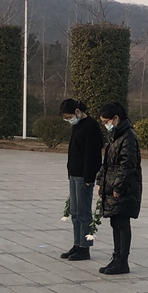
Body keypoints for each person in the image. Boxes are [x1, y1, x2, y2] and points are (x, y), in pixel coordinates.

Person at [96, 103, 142, 275]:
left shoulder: (128, 136)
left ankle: (123, 261)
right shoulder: (114, 135)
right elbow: (106, 163)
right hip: (111, 184)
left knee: (122, 223)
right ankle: (116, 257)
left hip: (124, 187)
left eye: (106, 121)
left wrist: (118, 186)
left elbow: (128, 165)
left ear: (116, 118)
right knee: (114, 222)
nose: (105, 125)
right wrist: (101, 182)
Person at [59, 98, 103, 262]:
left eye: (69, 116)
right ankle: (77, 244)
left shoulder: (91, 125)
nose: (68, 120)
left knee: (84, 212)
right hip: (74, 173)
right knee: (75, 211)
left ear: (77, 112)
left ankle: (84, 247)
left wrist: (90, 176)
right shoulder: (77, 125)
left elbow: (93, 154)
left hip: (84, 176)